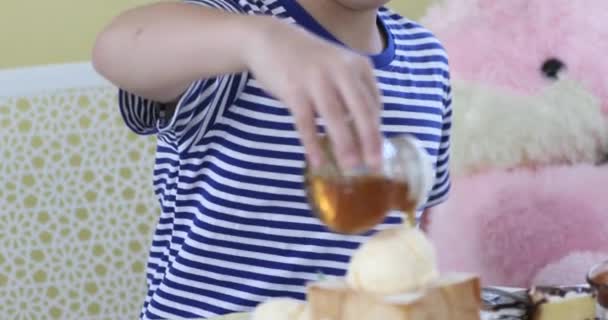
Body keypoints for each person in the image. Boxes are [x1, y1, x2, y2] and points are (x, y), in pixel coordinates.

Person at [92, 0, 452, 318]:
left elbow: (421, 224)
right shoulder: (236, 33)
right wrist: (256, 39)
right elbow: (117, 46)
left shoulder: (428, 59)